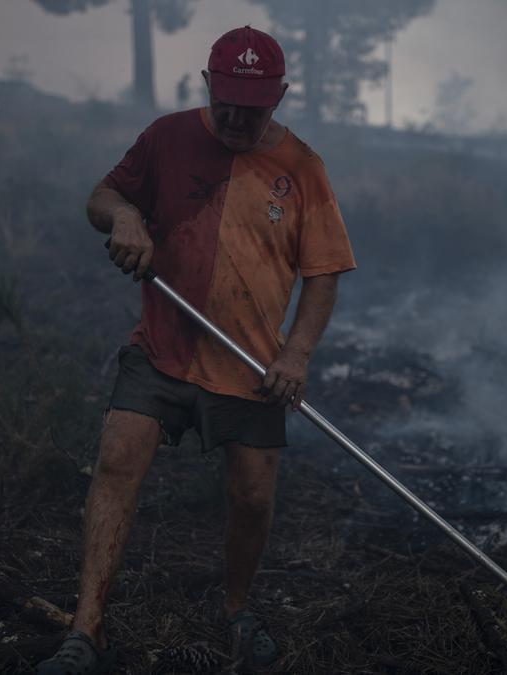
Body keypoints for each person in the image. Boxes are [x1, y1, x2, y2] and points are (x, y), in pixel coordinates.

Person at [38, 25, 356, 675]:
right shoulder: (166, 137)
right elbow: (103, 197)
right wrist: (125, 217)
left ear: (282, 96)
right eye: (228, 100)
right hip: (163, 346)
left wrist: (295, 357)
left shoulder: (303, 169)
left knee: (252, 496)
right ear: (209, 85)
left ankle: (237, 610)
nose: (238, 116)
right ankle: (84, 631)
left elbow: (323, 273)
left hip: (252, 366)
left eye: (256, 106)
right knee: (118, 458)